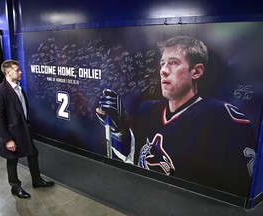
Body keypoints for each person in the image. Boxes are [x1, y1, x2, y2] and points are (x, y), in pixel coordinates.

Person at [96, 36, 257, 197]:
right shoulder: (146, 110)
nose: (163, 70)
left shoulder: (221, 116)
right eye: (162, 63)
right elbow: (130, 161)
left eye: (173, 63)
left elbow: (237, 190)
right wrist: (120, 131)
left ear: (197, 71)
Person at [0, 60, 54, 199]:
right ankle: (15, 187)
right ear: (8, 73)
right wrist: (7, 140)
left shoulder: (18, 88)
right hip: (12, 134)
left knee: (33, 154)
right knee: (12, 160)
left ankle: (37, 181)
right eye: (17, 70)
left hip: (24, 131)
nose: (20, 72)